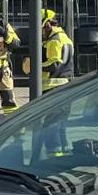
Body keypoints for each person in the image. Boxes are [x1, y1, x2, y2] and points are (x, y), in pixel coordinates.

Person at [39, 9, 75, 157]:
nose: (41, 33)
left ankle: (54, 155)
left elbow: (53, 65)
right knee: (61, 125)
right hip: (66, 86)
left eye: (41, 29)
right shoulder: (65, 38)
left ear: (47, 25)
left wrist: (34, 65)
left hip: (53, 86)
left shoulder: (54, 41)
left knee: (50, 125)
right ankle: (64, 152)